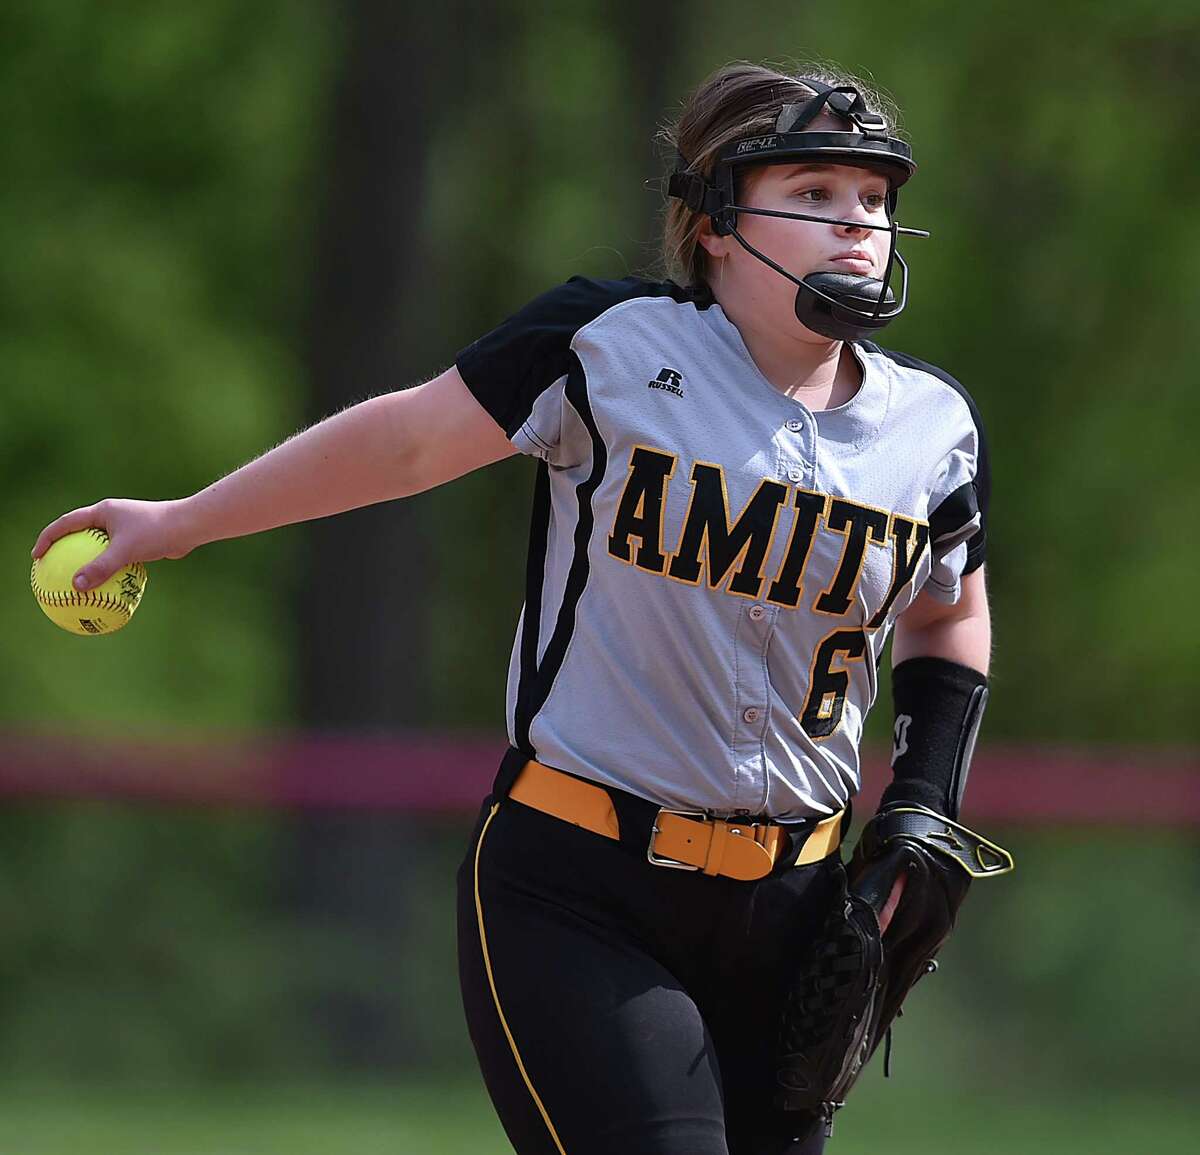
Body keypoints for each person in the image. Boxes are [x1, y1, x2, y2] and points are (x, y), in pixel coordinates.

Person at [31, 61, 993, 1155]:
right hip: (581, 890)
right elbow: (404, 443)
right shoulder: (613, 347)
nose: (856, 226)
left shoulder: (931, 428)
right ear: (717, 218)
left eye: (873, 199)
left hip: (796, 910)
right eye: (814, 193)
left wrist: (924, 797)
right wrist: (186, 519)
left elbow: (946, 614)